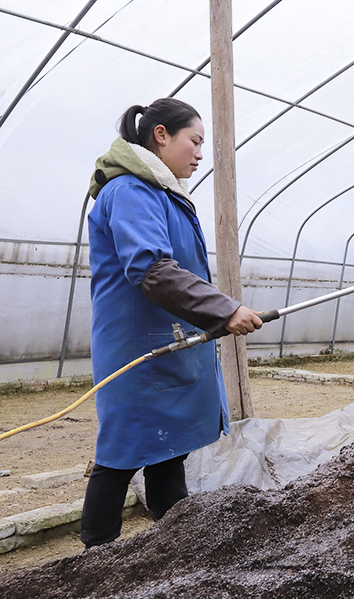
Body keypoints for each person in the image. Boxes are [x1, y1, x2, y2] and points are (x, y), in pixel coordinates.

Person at [81, 98, 262, 547]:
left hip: (166, 342)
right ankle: (93, 557)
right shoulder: (130, 191)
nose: (199, 154)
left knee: (169, 447)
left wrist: (217, 310)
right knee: (120, 454)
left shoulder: (163, 193)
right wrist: (225, 310)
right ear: (160, 135)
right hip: (136, 349)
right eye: (194, 141)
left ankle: (173, 544)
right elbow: (152, 271)